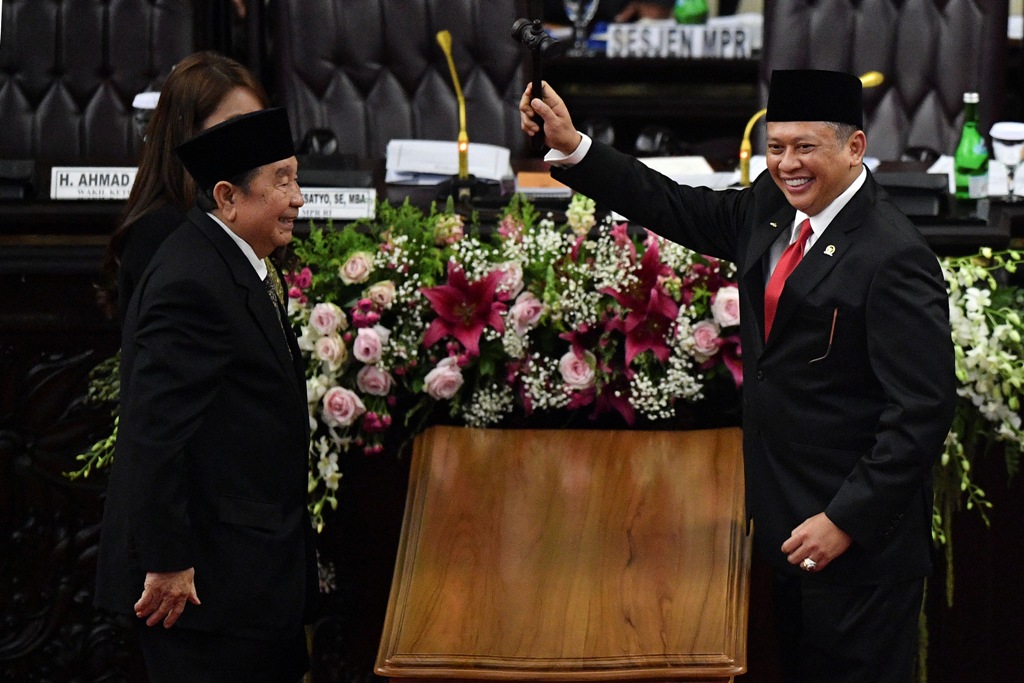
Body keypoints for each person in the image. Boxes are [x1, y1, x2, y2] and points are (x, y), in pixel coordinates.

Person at [520, 70, 956, 682]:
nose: (787, 164)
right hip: (784, 532)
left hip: (860, 553)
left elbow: (923, 412)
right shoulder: (770, 206)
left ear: (854, 148)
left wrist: (844, 522)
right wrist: (574, 148)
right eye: (775, 147)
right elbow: (678, 206)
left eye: (805, 147)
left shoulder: (894, 254)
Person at [94, 108, 315, 683]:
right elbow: (155, 432)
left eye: (297, 178)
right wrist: (167, 561)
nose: (298, 198)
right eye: (283, 181)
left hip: (247, 577)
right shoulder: (192, 279)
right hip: (203, 594)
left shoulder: (233, 260)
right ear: (227, 196)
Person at [98, 50, 268, 322]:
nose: (251, 141)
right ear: (188, 134)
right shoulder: (159, 232)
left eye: (257, 127)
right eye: (234, 125)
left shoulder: (243, 216)